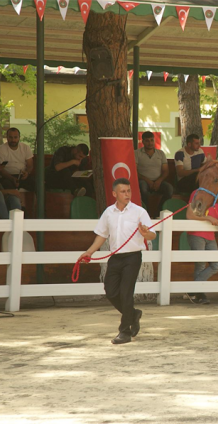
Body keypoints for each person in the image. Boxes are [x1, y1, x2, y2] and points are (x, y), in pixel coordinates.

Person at [78, 178, 155, 345]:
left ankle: (124, 331)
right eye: (123, 191)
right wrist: (89, 252)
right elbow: (102, 235)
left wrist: (145, 233)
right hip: (115, 257)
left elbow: (152, 235)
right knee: (111, 291)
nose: (127, 194)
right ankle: (133, 314)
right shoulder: (108, 212)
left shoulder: (139, 212)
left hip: (132, 257)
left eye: (128, 191)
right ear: (114, 194)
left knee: (126, 293)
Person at [185, 190, 218, 305]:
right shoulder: (197, 193)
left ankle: (193, 290)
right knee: (200, 265)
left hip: (211, 235)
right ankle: (199, 295)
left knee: (216, 265)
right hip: (196, 234)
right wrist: (208, 218)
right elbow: (189, 215)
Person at [135, 131, 173, 212]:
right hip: (143, 181)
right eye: (147, 141)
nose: (150, 143)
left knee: (169, 189)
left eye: (152, 140)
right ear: (143, 142)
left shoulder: (161, 153)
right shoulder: (137, 153)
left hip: (158, 181)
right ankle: (146, 213)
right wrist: (148, 180)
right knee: (143, 188)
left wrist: (159, 181)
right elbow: (134, 171)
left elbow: (165, 171)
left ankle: (159, 211)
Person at [0, 128, 35, 192]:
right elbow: (0, 169)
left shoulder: (25, 147)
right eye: (10, 137)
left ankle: (39, 202)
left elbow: (30, 165)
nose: (13, 140)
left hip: (22, 176)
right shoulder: (1, 149)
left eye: (15, 137)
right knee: (7, 185)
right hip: (7, 177)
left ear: (19, 137)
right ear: (7, 137)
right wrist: (12, 178)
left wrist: (27, 173)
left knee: (38, 184)